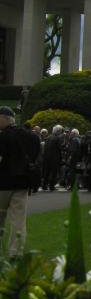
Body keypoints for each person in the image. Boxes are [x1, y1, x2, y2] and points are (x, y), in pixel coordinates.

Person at [0, 106, 31, 255]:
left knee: (1, 215)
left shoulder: (3, 137)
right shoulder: (28, 135)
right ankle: (16, 251)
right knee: (18, 218)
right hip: (23, 182)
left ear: (3, 119)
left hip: (3, 183)